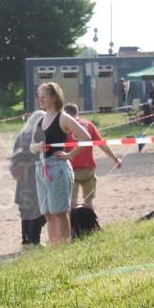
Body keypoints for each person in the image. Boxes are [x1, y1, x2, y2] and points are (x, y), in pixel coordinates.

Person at [30, 83, 91, 245]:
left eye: (44, 95)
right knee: (48, 213)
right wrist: (38, 147)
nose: (40, 99)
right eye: (39, 95)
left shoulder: (63, 117)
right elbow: (31, 147)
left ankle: (63, 247)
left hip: (57, 169)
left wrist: (70, 155)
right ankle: (54, 247)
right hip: (41, 168)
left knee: (60, 211)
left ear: (54, 97)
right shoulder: (40, 120)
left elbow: (86, 138)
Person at [62, 103, 120, 210]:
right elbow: (101, 144)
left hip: (72, 169)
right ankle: (91, 225)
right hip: (88, 169)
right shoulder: (88, 125)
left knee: (72, 203)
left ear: (66, 114)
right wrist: (115, 158)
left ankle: (73, 226)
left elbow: (62, 149)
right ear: (77, 112)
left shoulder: (65, 127)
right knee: (88, 203)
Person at [10, 112, 46, 245]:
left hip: (22, 177)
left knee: (26, 208)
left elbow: (14, 154)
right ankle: (35, 240)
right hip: (34, 174)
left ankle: (26, 239)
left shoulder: (21, 135)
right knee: (36, 209)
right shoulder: (38, 135)